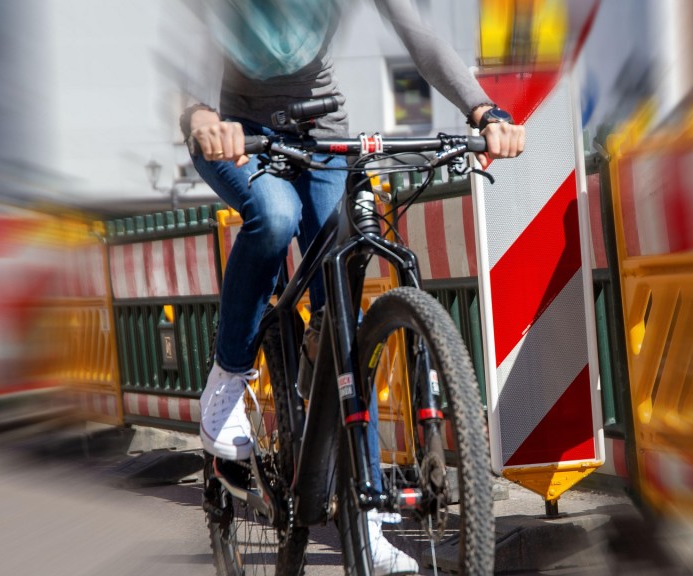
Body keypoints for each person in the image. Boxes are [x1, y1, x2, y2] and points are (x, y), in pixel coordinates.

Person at [181, 1, 524, 573]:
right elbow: (199, 40)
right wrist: (198, 114)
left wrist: (483, 110)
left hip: (323, 130)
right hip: (239, 134)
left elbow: (419, 34)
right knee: (274, 214)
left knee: (340, 320)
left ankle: (365, 520)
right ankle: (227, 378)